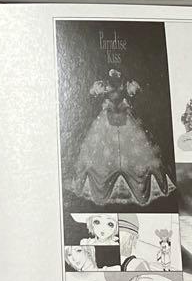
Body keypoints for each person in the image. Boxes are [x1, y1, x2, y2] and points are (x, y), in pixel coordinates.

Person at [69, 69, 174, 206]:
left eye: (117, 74)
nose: (115, 76)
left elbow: (136, 92)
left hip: (126, 118)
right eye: (112, 74)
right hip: (106, 119)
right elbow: (92, 93)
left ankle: (136, 187)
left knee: (137, 149)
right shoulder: (103, 85)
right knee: (100, 152)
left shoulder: (126, 84)